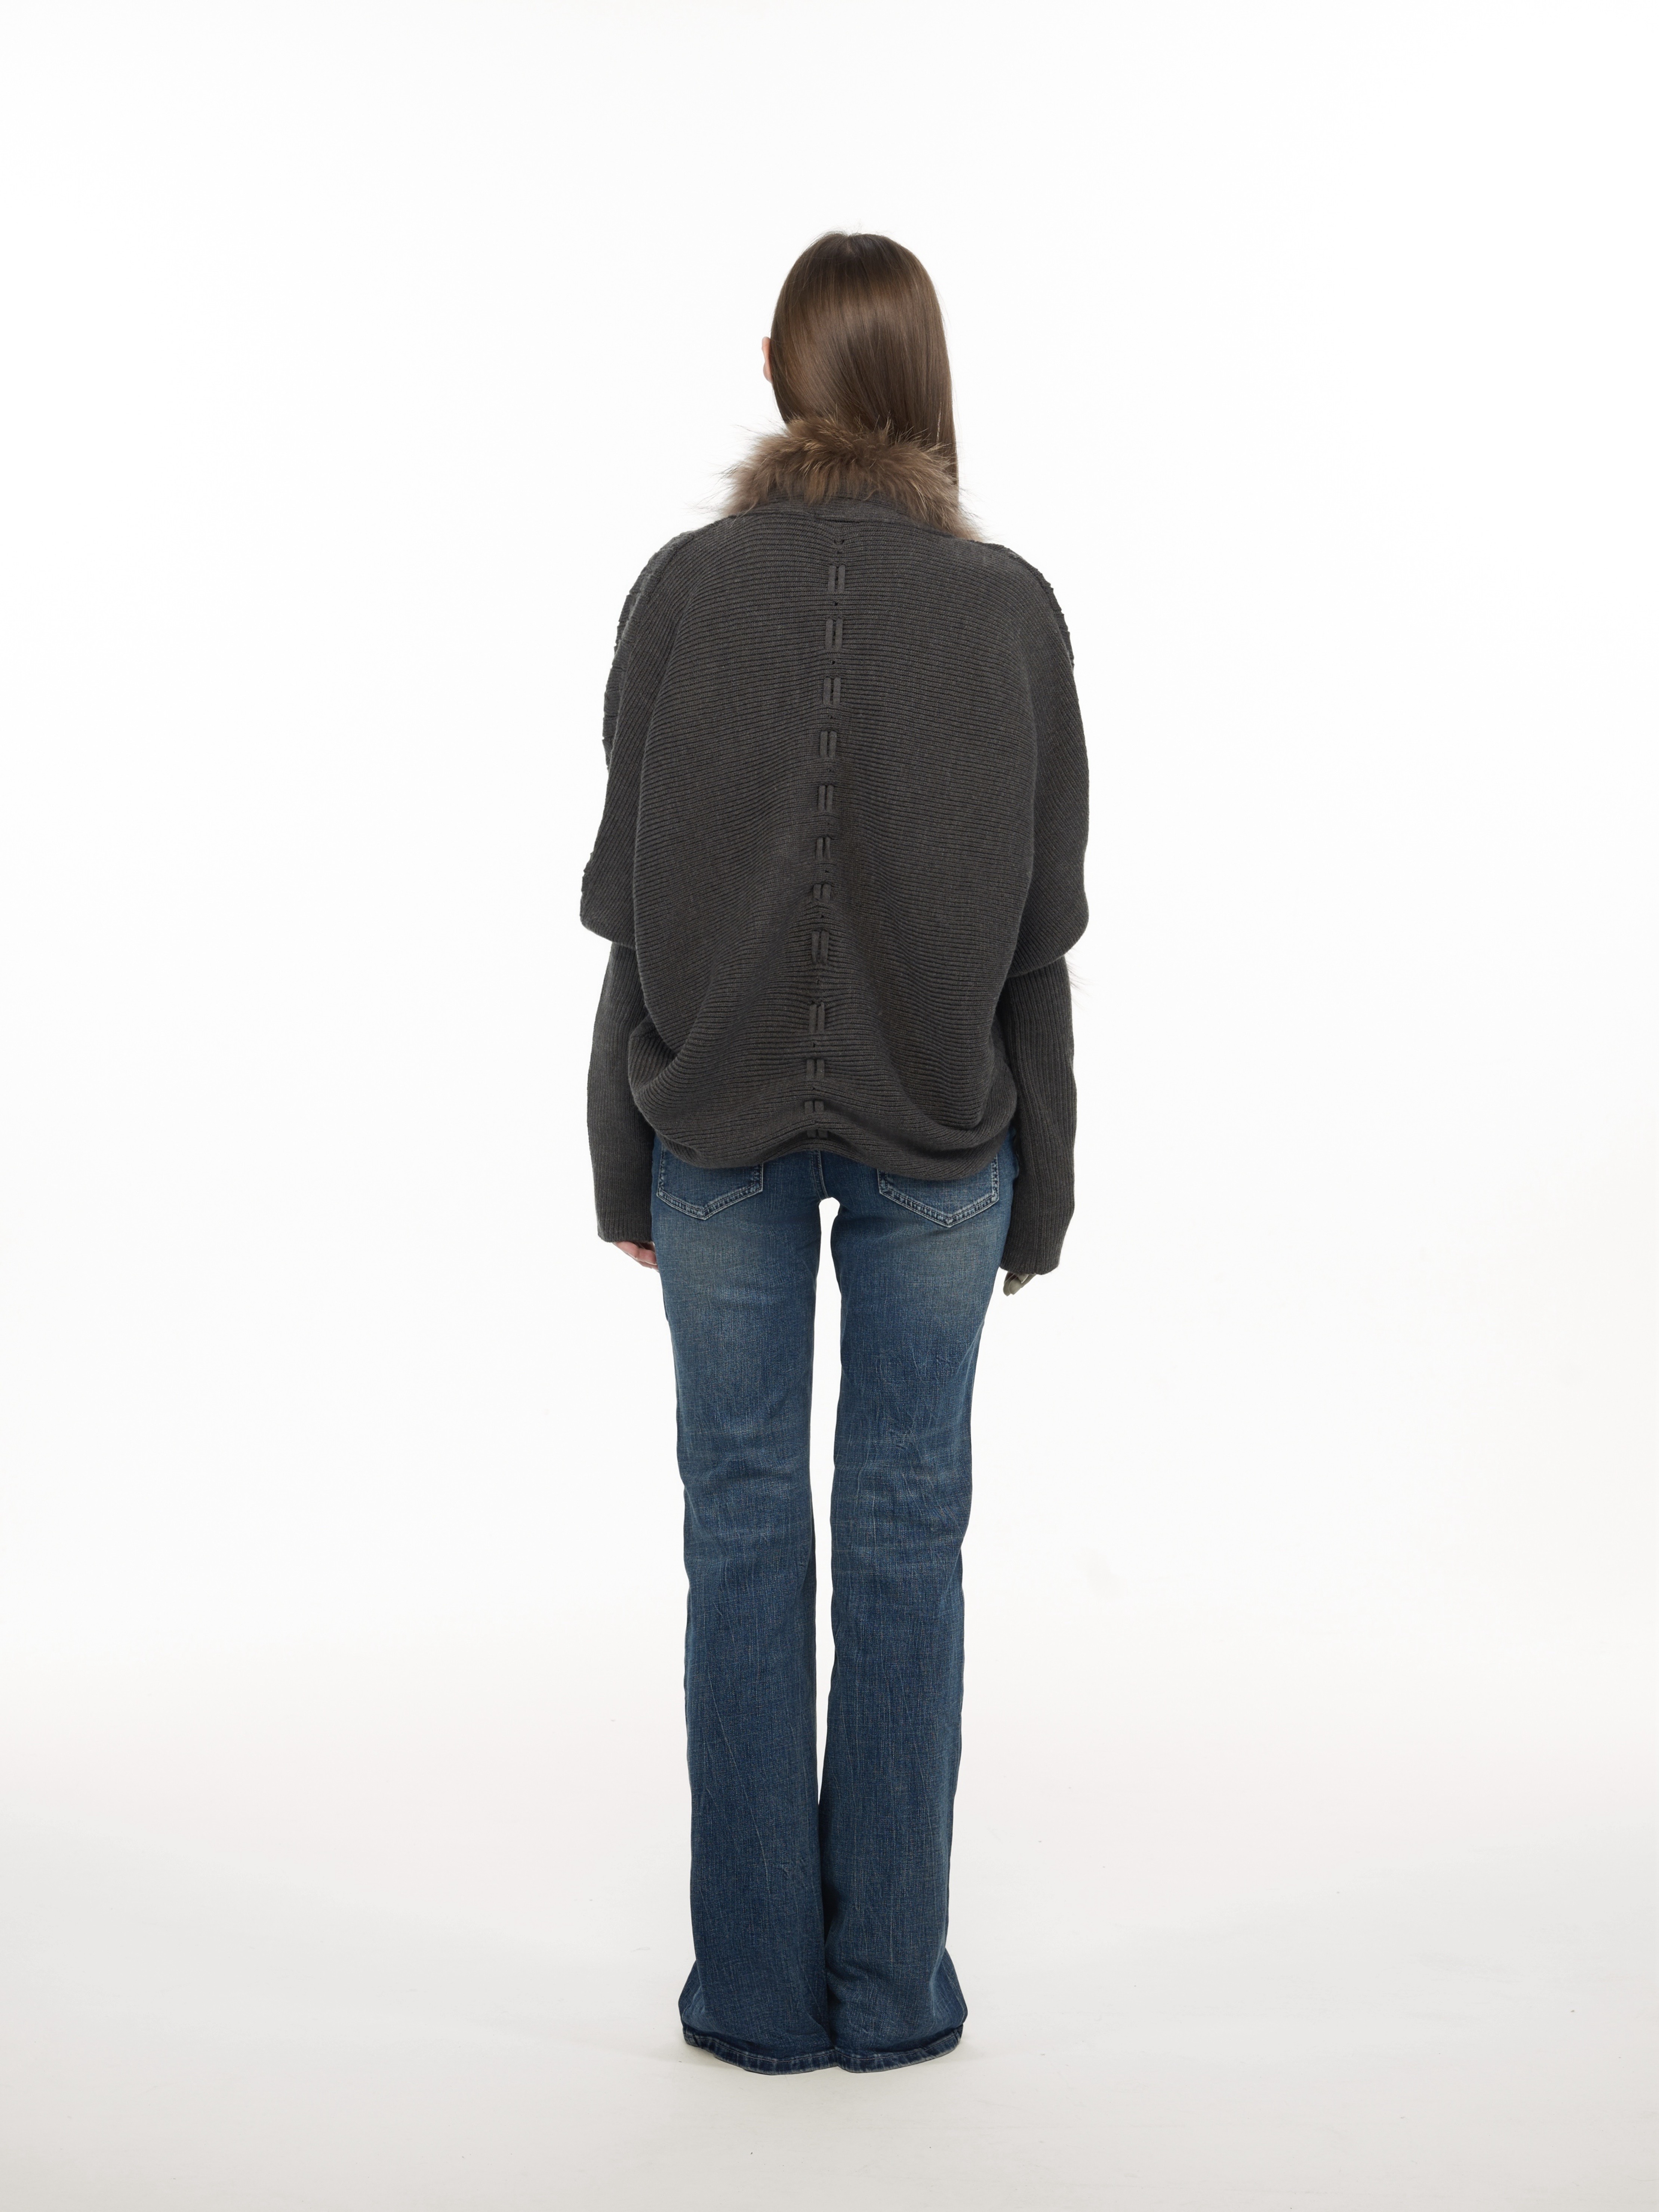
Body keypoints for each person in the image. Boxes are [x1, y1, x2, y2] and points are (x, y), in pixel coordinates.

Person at [580, 232, 1088, 2075]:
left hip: (710, 1120)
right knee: (902, 1538)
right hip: (947, 1132)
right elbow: (1041, 930)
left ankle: (757, 2000)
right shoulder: (1011, 608)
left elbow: (629, 904)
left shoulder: (682, 589)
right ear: (927, 379)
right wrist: (1050, 1176)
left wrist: (617, 1154)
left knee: (739, 1537)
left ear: (779, 371)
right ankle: (887, 1991)